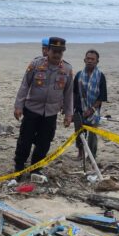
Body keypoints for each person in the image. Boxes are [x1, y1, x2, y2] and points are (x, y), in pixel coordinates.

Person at [13, 37, 73, 174]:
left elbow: (69, 93)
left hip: (51, 112)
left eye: (60, 52)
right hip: (32, 109)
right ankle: (19, 165)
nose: (57, 54)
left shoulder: (67, 69)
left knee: (44, 142)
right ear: (48, 50)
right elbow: (24, 86)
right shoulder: (35, 64)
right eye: (54, 51)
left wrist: (69, 114)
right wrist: (18, 106)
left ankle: (36, 168)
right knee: (25, 140)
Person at [73, 49, 107, 161]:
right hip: (79, 109)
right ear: (84, 60)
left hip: (93, 111)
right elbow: (74, 93)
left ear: (97, 61)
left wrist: (91, 109)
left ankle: (91, 156)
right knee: (79, 133)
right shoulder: (78, 75)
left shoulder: (101, 76)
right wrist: (71, 109)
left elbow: (101, 97)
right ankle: (80, 152)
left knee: (92, 136)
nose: (90, 61)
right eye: (88, 58)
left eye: (93, 59)